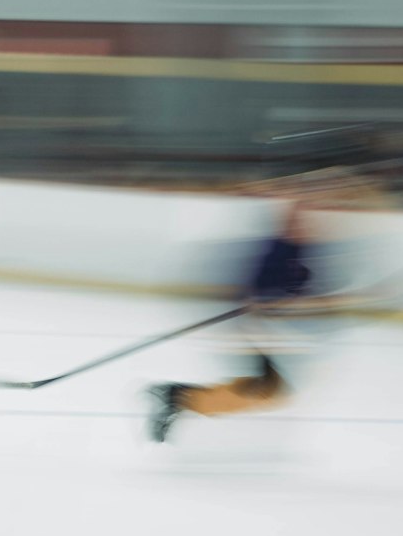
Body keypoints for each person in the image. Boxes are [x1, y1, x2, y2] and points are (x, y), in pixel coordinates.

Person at [145, 164, 382, 445]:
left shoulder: (297, 248)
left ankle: (179, 397)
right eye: (301, 215)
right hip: (255, 327)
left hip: (263, 328)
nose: (310, 221)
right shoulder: (279, 248)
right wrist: (268, 303)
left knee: (265, 389)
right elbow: (263, 288)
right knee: (266, 390)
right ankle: (179, 397)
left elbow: (302, 287)